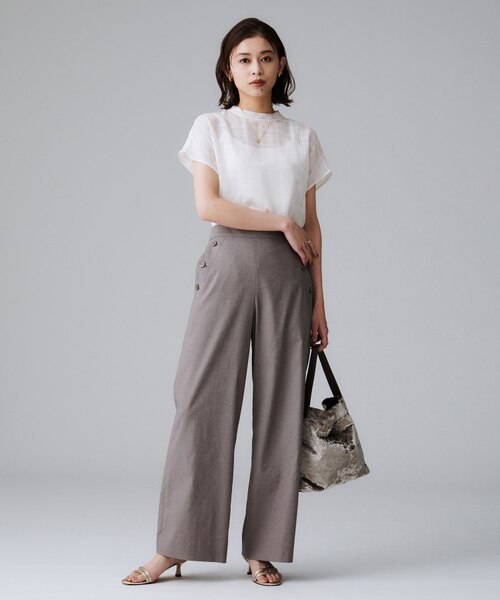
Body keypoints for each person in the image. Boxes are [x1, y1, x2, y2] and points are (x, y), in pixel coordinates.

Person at [122, 16, 332, 588]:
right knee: (200, 403)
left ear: (281, 65)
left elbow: (313, 226)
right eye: (244, 59)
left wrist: (319, 302)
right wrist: (279, 220)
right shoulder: (211, 127)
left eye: (266, 57)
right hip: (229, 263)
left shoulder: (302, 138)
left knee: (282, 411)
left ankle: (263, 548)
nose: (255, 68)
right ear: (228, 68)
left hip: (290, 275)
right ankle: (176, 545)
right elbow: (208, 206)